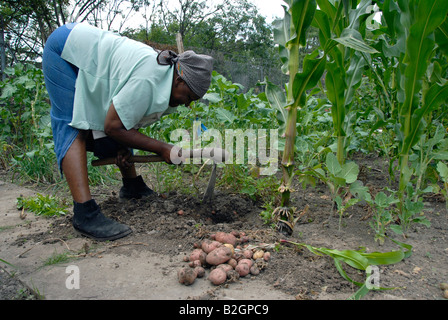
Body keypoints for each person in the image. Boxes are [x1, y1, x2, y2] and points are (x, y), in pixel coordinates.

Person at [42, 22, 213, 241]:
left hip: (85, 52)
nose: (188, 104)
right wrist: (163, 148)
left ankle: (132, 186)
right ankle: (85, 213)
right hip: (66, 50)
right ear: (179, 80)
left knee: (123, 125)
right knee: (73, 125)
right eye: (189, 97)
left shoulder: (166, 79)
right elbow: (113, 126)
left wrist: (121, 149)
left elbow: (126, 118)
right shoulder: (149, 78)